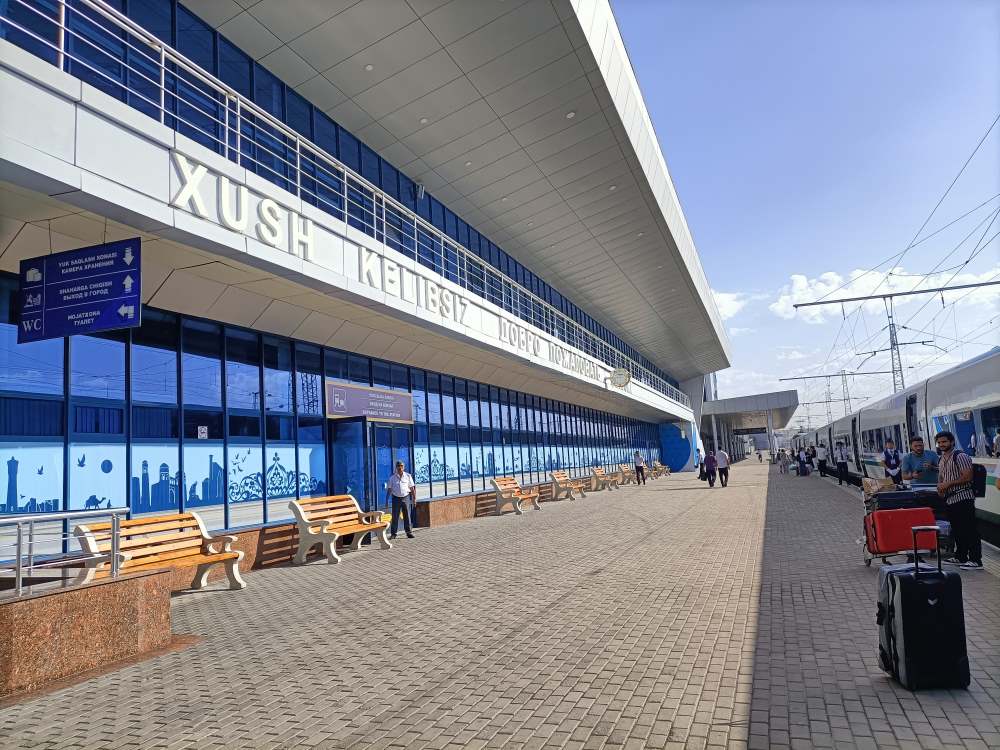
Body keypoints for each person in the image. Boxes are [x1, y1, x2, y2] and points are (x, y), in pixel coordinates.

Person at [936, 430, 982, 570]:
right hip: (950, 499)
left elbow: (967, 477)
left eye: (944, 442)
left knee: (969, 529)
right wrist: (940, 487)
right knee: (957, 529)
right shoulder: (942, 458)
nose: (941, 445)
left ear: (952, 442)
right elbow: (943, 476)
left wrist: (948, 484)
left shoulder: (960, 456)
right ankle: (960, 556)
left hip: (963, 498)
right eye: (939, 442)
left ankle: (975, 560)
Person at [385, 460, 416, 540]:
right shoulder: (392, 478)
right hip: (396, 498)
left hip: (406, 497)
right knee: (395, 516)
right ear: (396, 467)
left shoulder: (408, 476)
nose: (400, 468)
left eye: (401, 466)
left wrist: (414, 499)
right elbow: (389, 489)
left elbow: (412, 488)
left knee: (407, 516)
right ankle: (393, 534)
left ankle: (409, 533)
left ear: (403, 467)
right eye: (398, 466)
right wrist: (386, 500)